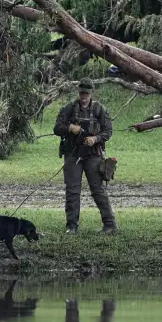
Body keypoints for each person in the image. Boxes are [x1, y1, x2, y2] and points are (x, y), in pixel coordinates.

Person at [53, 79, 118, 234]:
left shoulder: (99, 109)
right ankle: (71, 226)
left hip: (93, 154)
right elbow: (57, 128)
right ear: (78, 92)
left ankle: (110, 225)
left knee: (98, 189)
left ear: (91, 93)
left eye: (87, 93)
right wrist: (70, 127)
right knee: (72, 190)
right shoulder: (69, 108)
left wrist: (95, 139)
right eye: (82, 92)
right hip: (72, 154)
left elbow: (108, 131)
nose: (84, 95)